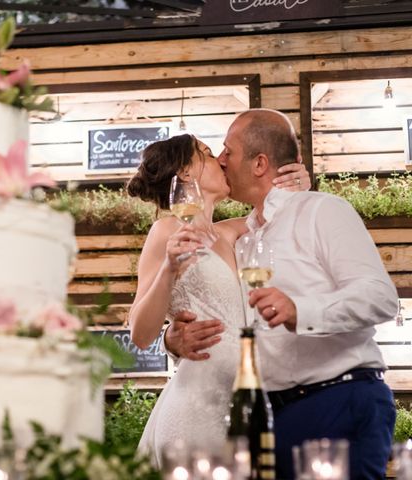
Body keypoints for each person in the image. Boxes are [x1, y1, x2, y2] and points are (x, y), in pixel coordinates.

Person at [164, 109, 398, 479]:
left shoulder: (322, 210)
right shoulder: (244, 237)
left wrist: (300, 310)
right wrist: (172, 338)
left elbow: (380, 297)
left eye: (228, 150)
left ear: (259, 164)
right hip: (268, 415)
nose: (221, 160)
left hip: (337, 399)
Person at [126, 132, 311, 467]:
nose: (220, 161)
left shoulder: (234, 233)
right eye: (208, 153)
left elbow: (284, 208)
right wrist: (168, 269)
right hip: (196, 404)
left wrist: (298, 182)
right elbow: (139, 333)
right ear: (184, 173)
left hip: (242, 403)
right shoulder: (166, 231)